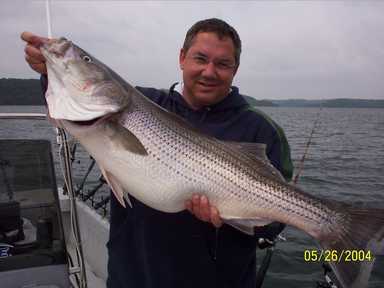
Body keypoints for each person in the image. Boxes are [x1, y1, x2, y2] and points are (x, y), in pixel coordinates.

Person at [21, 18, 293, 288]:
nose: (209, 72)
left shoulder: (261, 130)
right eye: (201, 58)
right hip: (133, 277)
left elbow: (273, 225)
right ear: (182, 57)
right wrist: (50, 71)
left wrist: (232, 217)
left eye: (222, 64)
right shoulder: (144, 102)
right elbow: (70, 98)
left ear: (235, 69)